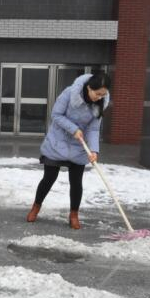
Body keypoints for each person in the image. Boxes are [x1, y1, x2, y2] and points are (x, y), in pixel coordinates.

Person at [26, 72, 111, 230]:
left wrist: (94, 150)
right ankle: (36, 207)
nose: (100, 97)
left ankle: (74, 214)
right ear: (89, 88)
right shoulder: (70, 93)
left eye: (103, 95)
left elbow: (93, 129)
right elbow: (56, 115)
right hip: (58, 141)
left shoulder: (100, 103)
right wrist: (73, 129)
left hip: (79, 145)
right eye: (97, 93)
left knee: (76, 182)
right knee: (49, 178)